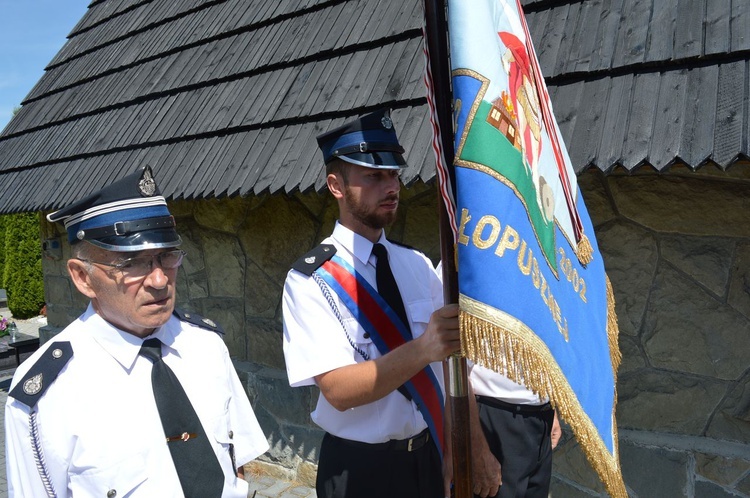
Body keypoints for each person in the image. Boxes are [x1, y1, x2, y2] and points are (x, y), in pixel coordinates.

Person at [5, 166, 268, 497]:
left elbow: (233, 463)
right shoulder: (47, 394)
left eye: (165, 256)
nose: (159, 280)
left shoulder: (205, 346)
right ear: (82, 277)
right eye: (130, 263)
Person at [282, 109, 461, 498]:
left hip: (427, 457)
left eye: (394, 174)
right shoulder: (311, 279)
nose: (391, 185)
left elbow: (446, 368)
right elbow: (338, 390)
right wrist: (422, 348)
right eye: (374, 176)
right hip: (359, 471)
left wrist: (450, 447)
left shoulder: (416, 265)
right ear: (336, 186)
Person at [468, 363, 562, 498]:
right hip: (496, 420)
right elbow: (456, 369)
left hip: (542, 417)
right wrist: (476, 448)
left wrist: (549, 404)